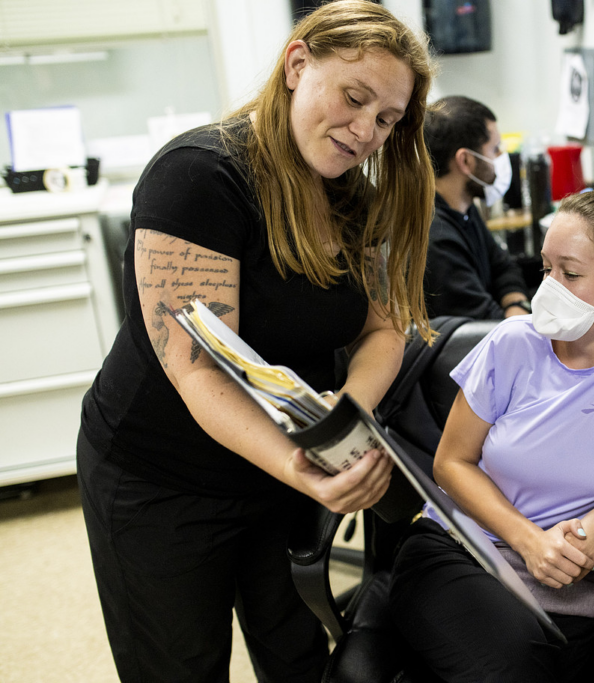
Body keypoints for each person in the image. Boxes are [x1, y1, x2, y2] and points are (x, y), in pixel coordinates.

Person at [76, 3, 435, 681]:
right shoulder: (200, 177)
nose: (366, 131)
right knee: (180, 665)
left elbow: (381, 330)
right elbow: (199, 371)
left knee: (296, 652)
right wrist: (302, 466)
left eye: (388, 119)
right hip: (163, 477)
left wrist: (343, 419)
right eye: (354, 98)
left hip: (275, 470)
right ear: (298, 65)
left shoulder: (349, 197)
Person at [388, 189, 594, 682]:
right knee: (514, 668)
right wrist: (529, 542)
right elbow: (450, 463)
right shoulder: (512, 344)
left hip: (568, 577)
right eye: (546, 269)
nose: (548, 287)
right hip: (462, 548)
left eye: (571, 273)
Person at [423, 95, 530, 319]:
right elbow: (484, 322)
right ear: (465, 161)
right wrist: (516, 320)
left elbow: (503, 267)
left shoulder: (463, 208)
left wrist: (516, 304)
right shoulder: (437, 240)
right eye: (495, 148)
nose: (501, 157)